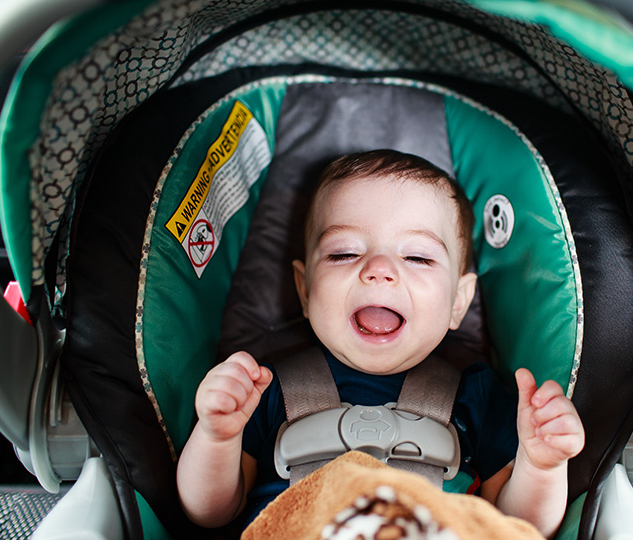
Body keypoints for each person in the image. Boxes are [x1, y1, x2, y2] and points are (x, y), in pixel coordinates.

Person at [176, 149, 585, 538]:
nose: (379, 270)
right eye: (344, 252)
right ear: (305, 290)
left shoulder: (479, 399)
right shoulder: (263, 390)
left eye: (418, 258)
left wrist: (542, 466)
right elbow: (211, 512)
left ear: (458, 303)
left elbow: (520, 527)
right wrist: (217, 436)